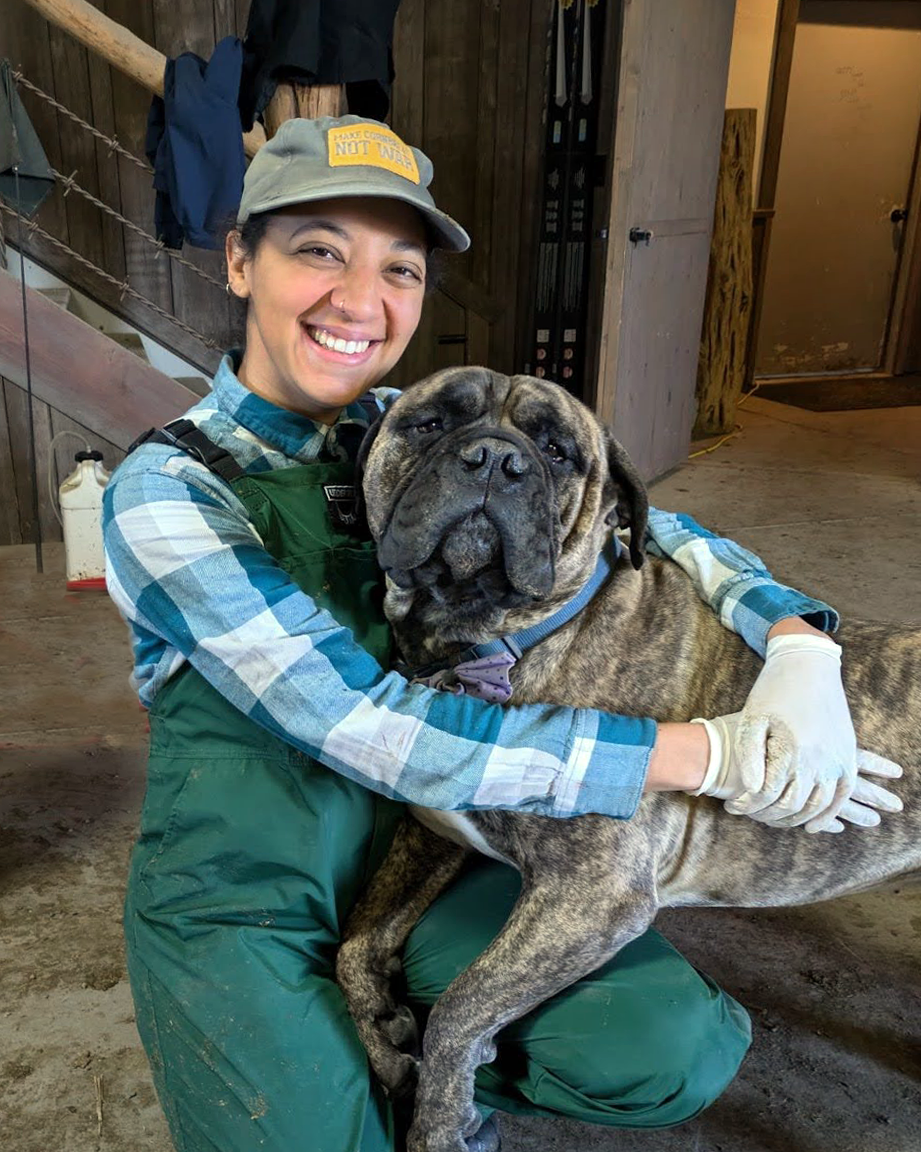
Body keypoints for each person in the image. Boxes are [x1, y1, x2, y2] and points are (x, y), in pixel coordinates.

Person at [103, 116, 901, 1152]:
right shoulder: (166, 493)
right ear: (241, 261)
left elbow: (674, 531)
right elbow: (361, 722)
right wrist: (699, 753)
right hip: (246, 904)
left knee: (658, 1042)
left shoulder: (403, 421)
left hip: (430, 846)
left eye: (400, 267)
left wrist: (799, 643)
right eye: (317, 251)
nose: (360, 297)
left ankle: (437, 1054)